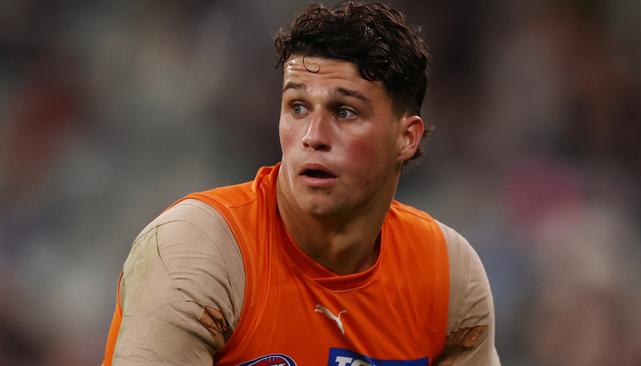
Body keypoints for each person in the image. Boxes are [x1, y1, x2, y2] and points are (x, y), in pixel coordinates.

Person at [102, 2, 500, 365]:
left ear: (406, 138)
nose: (313, 135)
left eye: (344, 112)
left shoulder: (447, 274)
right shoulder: (200, 250)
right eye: (297, 106)